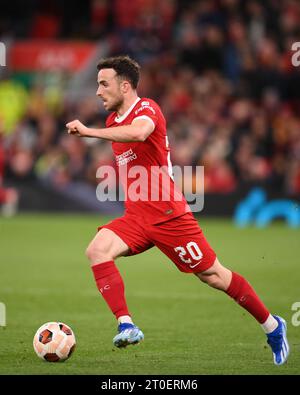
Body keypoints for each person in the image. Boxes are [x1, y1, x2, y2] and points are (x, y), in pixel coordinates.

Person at [66, 55, 289, 365]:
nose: (98, 91)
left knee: (213, 275)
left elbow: (140, 133)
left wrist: (89, 133)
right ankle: (126, 325)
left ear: (125, 86)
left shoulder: (147, 109)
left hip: (169, 216)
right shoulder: (112, 121)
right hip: (136, 216)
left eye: (104, 84)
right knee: (97, 249)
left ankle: (273, 326)